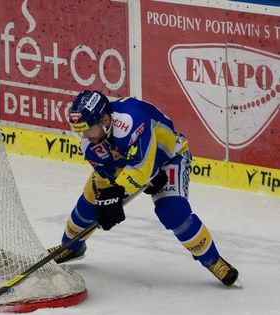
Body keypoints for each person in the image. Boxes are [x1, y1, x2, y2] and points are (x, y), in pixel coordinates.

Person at [49, 90, 239, 287]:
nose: (84, 135)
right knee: (90, 204)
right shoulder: (90, 141)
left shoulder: (132, 120)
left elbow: (143, 167)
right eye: (80, 130)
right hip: (128, 161)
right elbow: (109, 174)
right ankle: (71, 247)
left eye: (88, 129)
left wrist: (120, 192)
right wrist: (107, 202)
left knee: (173, 212)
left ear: (105, 119)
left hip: (168, 158)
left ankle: (213, 260)